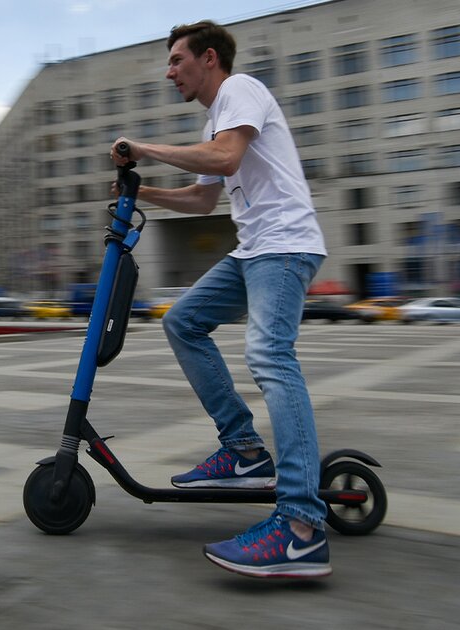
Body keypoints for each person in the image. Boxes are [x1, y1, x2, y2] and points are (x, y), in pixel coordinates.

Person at [110, 20, 330, 578]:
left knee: (270, 357)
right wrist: (143, 189)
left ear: (209, 59)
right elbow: (203, 201)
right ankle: (246, 452)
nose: (169, 71)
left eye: (177, 60)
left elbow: (226, 159)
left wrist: (144, 148)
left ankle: (301, 527)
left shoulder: (240, 90)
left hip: (282, 247)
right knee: (182, 322)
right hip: (254, 250)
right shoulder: (218, 117)